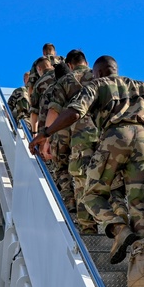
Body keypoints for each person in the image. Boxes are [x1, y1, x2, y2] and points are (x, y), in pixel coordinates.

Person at [28, 55, 144, 264]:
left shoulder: (97, 85)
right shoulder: (139, 85)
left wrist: (46, 133)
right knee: (138, 200)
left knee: (90, 193)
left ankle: (119, 229)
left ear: (97, 73)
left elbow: (74, 112)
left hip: (115, 137)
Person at [42, 50, 94, 225]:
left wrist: (46, 139)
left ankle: (84, 223)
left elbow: (53, 111)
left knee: (76, 176)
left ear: (69, 65)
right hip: (104, 136)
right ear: (86, 62)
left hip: (75, 135)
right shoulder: (100, 77)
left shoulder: (65, 81)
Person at [28, 56, 55, 134]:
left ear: (39, 68)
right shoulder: (64, 76)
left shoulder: (38, 84)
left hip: (46, 126)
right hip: (64, 122)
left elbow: (34, 112)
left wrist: (34, 133)